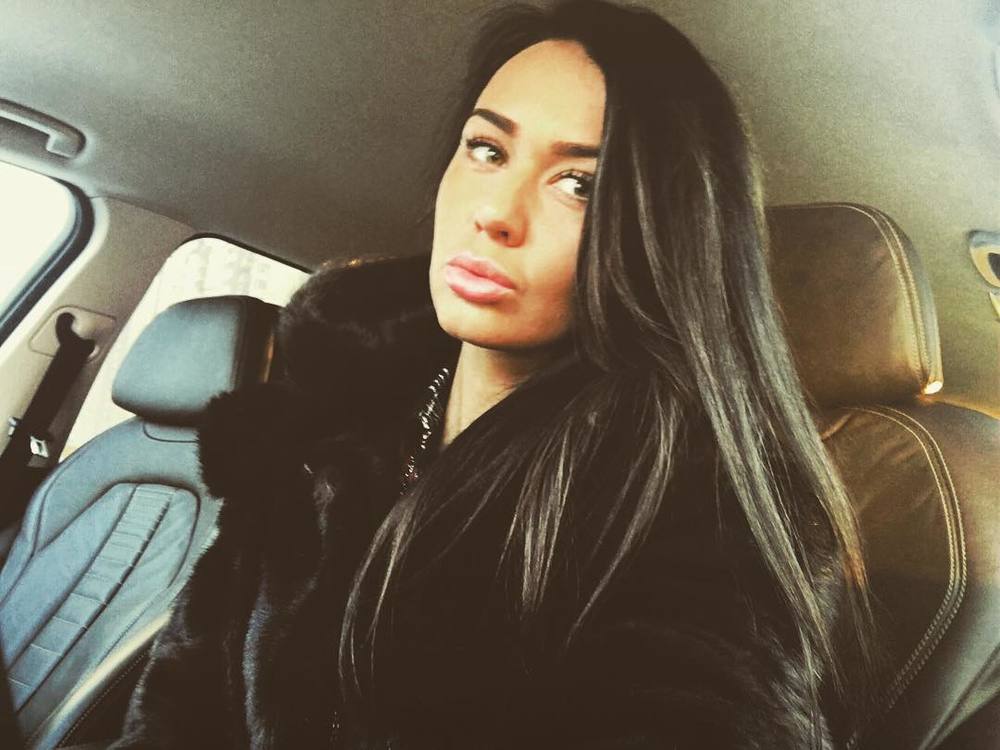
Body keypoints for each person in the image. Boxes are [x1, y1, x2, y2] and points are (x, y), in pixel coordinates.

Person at [111, 1, 873, 747]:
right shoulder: (320, 426)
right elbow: (182, 707)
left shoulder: (700, 520)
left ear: (662, 236)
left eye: (579, 184)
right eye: (487, 149)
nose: (496, 213)